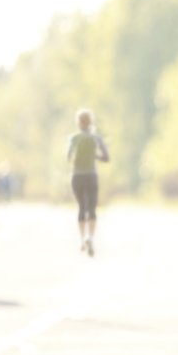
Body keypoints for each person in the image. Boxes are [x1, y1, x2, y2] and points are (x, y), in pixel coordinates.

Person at [66, 109, 109, 257]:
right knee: (91, 208)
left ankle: (81, 240)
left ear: (79, 123)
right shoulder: (96, 138)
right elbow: (106, 157)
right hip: (91, 176)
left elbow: (68, 157)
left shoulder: (74, 138)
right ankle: (90, 237)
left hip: (76, 176)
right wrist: (94, 156)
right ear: (90, 123)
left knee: (81, 207)